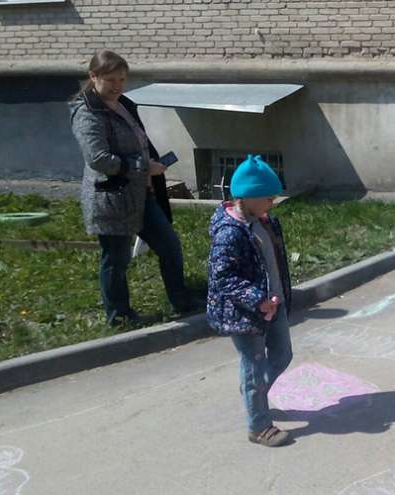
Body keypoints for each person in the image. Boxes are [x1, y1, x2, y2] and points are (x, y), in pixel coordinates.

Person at [70, 50, 197, 325]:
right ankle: (119, 316)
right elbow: (98, 159)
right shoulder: (88, 112)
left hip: (141, 194)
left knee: (169, 245)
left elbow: (137, 139)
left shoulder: (122, 103)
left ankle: (182, 300)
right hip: (111, 197)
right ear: (93, 77)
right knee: (116, 259)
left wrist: (149, 164)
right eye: (110, 80)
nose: (117, 86)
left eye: (122, 79)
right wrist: (143, 166)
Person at [207, 155, 294, 447]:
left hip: (274, 304)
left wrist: (275, 297)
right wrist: (257, 299)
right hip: (245, 313)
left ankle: (253, 394)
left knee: (282, 355)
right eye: (268, 197)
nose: (273, 201)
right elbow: (224, 278)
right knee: (254, 364)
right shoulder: (228, 232)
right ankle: (259, 426)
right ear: (247, 196)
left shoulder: (263, 220)